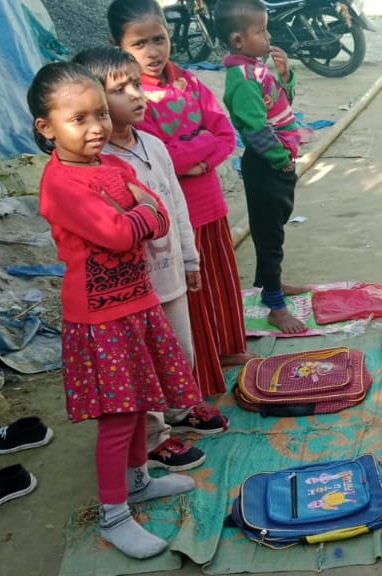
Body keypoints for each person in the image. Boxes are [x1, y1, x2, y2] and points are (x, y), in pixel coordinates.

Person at [28, 62, 207, 559]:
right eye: (78, 119)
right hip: (100, 318)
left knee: (139, 405)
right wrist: (140, 213)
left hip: (137, 303)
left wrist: (140, 214)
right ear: (46, 127)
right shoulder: (61, 183)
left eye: (101, 114)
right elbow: (118, 232)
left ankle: (137, 481)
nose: (96, 127)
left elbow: (159, 217)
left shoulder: (111, 165)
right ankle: (113, 514)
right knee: (118, 416)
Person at [72, 46, 229, 473]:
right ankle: (156, 436)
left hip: (170, 274)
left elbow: (177, 205)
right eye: (119, 90)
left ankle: (179, 409)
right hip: (133, 290)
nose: (136, 95)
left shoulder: (154, 145)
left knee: (180, 349)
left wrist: (191, 259)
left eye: (136, 84)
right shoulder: (98, 164)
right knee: (144, 363)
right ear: (93, 102)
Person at [107, 0, 258, 386]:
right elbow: (160, 158)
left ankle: (227, 348)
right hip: (175, 216)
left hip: (210, 204)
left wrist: (198, 160)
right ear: (117, 46)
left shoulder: (188, 81)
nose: (153, 52)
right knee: (190, 293)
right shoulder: (130, 100)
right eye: (139, 44)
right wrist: (201, 142)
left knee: (219, 282)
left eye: (159, 39)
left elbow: (225, 134)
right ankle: (200, 374)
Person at [214, 0, 309, 334]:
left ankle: (273, 285)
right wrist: (281, 160)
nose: (268, 37)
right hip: (266, 162)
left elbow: (280, 103)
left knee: (274, 228)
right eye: (261, 30)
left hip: (274, 161)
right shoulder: (241, 78)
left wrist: (285, 76)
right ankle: (275, 305)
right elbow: (256, 131)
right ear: (238, 40)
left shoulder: (255, 69)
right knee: (269, 236)